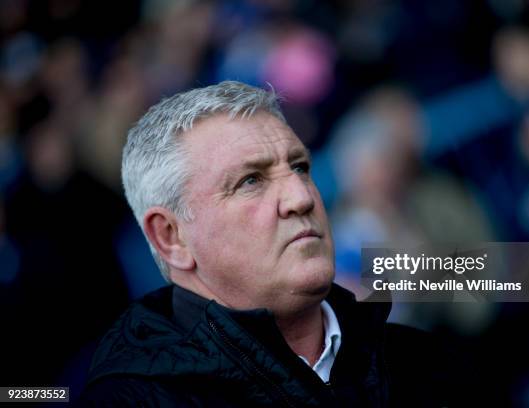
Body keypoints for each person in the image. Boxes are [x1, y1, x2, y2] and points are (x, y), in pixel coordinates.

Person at [76, 81, 453, 407]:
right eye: (250, 181)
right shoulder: (132, 396)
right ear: (172, 237)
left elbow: (502, 283)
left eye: (300, 167)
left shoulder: (441, 202)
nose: (301, 196)